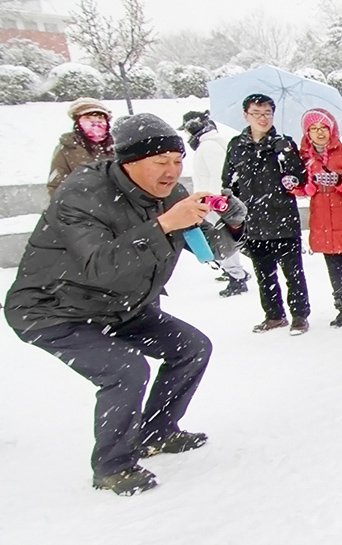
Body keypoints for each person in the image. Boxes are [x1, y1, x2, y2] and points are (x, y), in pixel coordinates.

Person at [3, 114, 246, 495]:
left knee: (192, 349)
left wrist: (231, 222)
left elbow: (211, 250)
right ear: (129, 162)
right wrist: (164, 225)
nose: (172, 171)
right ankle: (113, 467)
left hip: (121, 306)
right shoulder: (82, 194)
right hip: (53, 309)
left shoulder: (170, 195)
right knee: (126, 370)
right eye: (160, 161)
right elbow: (99, 265)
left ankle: (157, 433)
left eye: (177, 160)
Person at [223, 93, 311, 335]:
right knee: (264, 274)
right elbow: (228, 181)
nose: (262, 118)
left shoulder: (285, 143)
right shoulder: (236, 145)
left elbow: (300, 178)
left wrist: (286, 160)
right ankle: (273, 315)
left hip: (283, 216)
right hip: (253, 220)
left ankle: (300, 315)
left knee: (293, 272)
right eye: (256, 113)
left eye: (267, 114)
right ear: (246, 115)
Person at [292, 109, 342, 326]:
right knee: (334, 270)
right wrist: (294, 186)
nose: (319, 133)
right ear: (307, 132)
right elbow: (306, 189)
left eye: (323, 128)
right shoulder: (305, 158)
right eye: (313, 129)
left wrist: (339, 180)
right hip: (322, 224)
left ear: (332, 129)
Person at [179, 109, 251, 297]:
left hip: (212, 202)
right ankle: (233, 271)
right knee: (224, 239)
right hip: (211, 201)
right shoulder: (210, 143)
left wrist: (212, 201)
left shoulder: (209, 146)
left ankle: (236, 275)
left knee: (221, 240)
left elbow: (218, 176)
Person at [47, 97, 114, 195]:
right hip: (84, 207)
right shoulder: (66, 149)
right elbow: (56, 186)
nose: (95, 122)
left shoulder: (118, 145)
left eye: (100, 118)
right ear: (78, 122)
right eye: (88, 118)